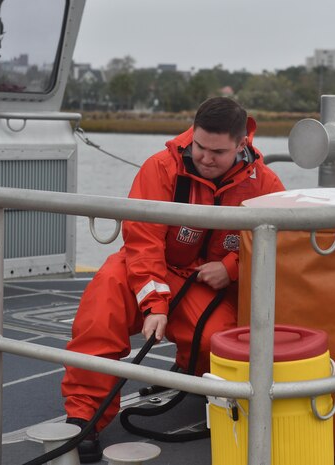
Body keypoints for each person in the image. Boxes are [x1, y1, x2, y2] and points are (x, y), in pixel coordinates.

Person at [61, 97, 285, 462]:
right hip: (149, 265)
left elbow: (276, 244)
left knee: (219, 341)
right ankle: (85, 415)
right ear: (192, 135)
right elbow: (143, 241)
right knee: (101, 306)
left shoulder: (265, 184)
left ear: (242, 145)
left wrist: (230, 269)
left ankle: (193, 370)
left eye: (218, 152)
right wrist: (155, 305)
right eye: (199, 146)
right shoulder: (162, 167)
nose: (206, 158)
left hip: (206, 282)